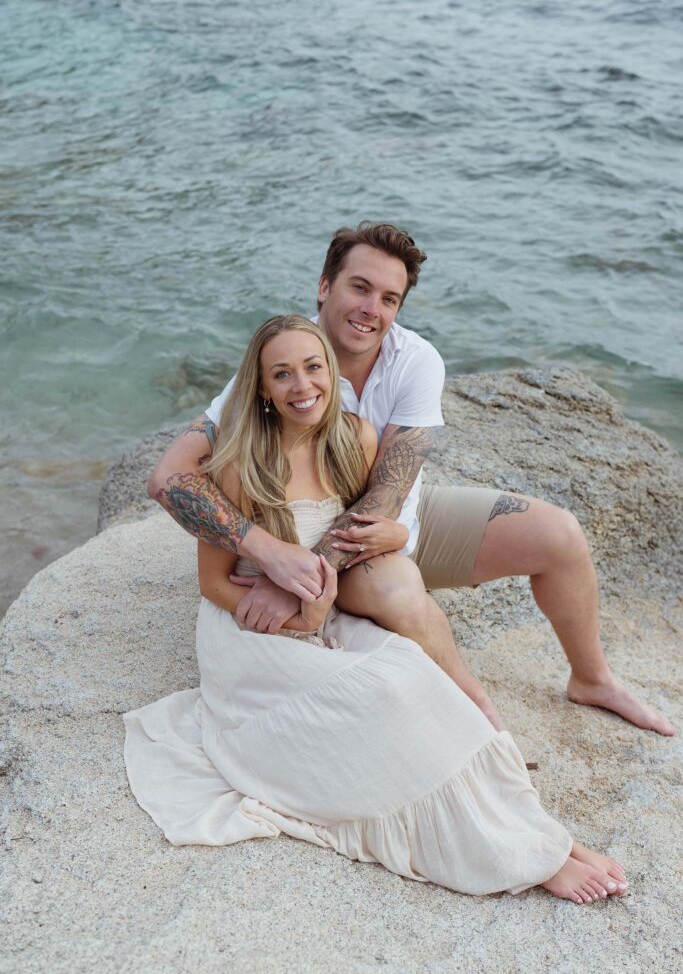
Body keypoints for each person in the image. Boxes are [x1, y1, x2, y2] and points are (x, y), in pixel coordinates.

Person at [125, 314, 629, 902]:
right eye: (281, 374)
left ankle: (542, 835)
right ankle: (524, 857)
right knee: (380, 700)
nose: (300, 386)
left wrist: (375, 551)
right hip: (252, 628)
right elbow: (213, 584)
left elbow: (372, 527)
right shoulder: (237, 464)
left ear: (331, 372)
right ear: (259, 387)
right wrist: (296, 617)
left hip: (326, 611)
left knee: (417, 681)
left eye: (312, 368)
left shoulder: (356, 439)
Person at [148, 222, 674, 737]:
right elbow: (168, 478)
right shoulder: (281, 361)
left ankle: (592, 679)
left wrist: (311, 575)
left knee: (560, 535)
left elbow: (389, 491)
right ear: (325, 286)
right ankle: (475, 707)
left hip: (390, 526)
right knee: (399, 591)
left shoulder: (415, 360)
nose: (370, 309)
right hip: (346, 553)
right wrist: (274, 556)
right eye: (359, 287)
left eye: (389, 298)